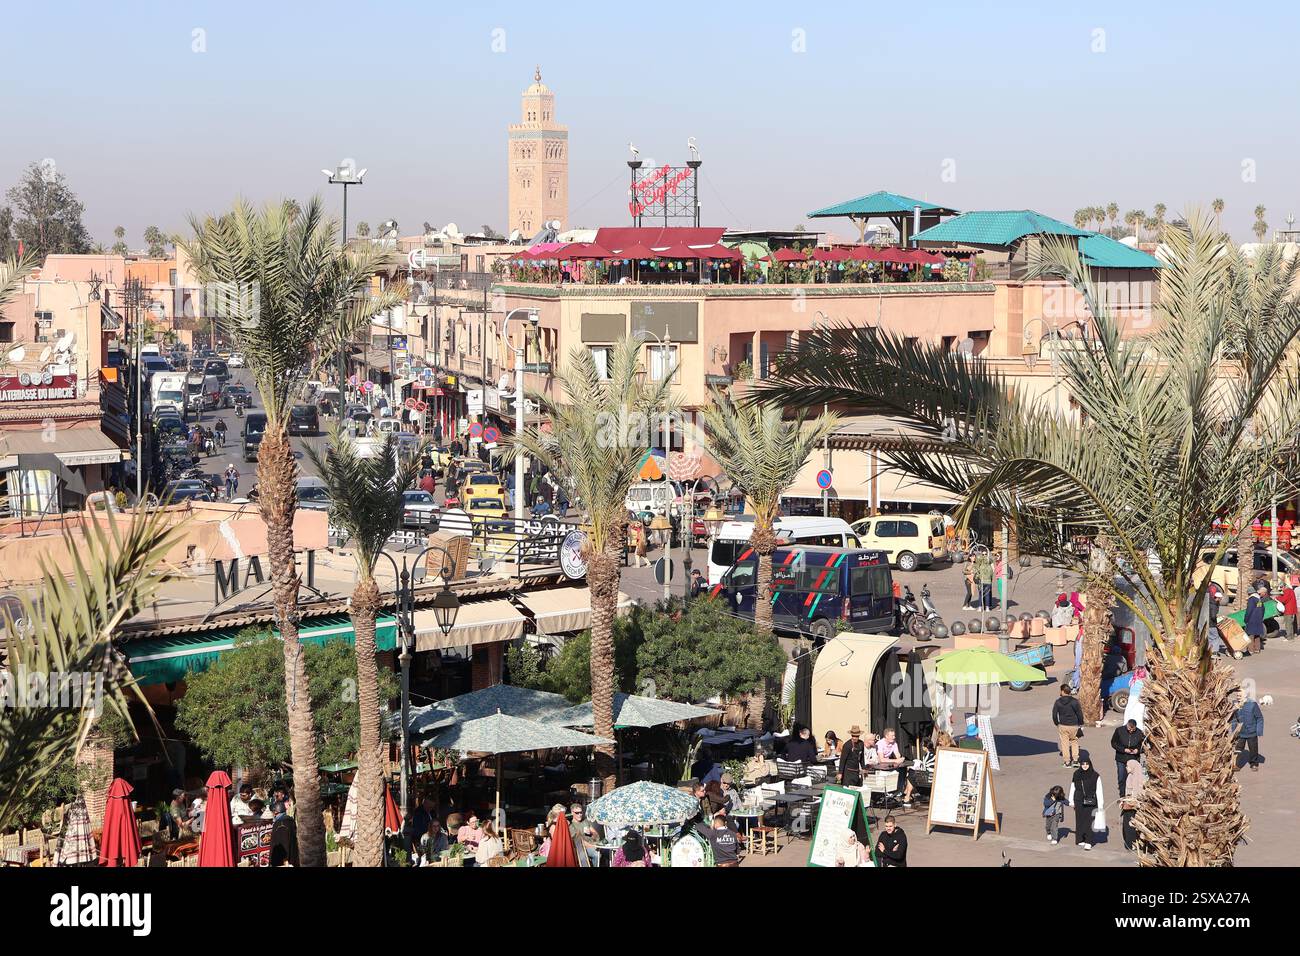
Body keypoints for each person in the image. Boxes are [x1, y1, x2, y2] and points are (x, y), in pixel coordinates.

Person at [1067, 754, 1104, 850]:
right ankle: (1080, 839)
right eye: (1083, 764)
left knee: (1089, 821)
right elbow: (1073, 787)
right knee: (1080, 820)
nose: (1085, 766)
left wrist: (1100, 805)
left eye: (1087, 764)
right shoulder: (1076, 774)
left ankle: (1089, 841)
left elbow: (1099, 791)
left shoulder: (1095, 775)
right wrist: (1071, 800)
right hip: (1078, 800)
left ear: (1090, 764)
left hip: (1091, 801)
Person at [1052, 685, 1085, 767]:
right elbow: (1079, 714)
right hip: (1074, 725)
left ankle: (1067, 762)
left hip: (1063, 725)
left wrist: (1057, 723)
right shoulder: (1075, 701)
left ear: (1063, 691)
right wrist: (1080, 723)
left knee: (1065, 743)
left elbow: (1054, 714)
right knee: (1074, 742)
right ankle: (1075, 760)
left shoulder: (1058, 702)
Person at [1110, 719, 1145, 797]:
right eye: (1129, 729)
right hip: (1121, 758)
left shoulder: (1139, 733)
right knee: (1122, 778)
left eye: (1133, 729)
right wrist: (1123, 749)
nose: (1131, 731)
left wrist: (1138, 750)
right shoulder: (1119, 730)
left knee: (1134, 778)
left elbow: (1144, 746)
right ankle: (1122, 796)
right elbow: (1113, 743)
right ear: (1127, 725)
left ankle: (1134, 796)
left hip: (1134, 758)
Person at [1234, 691, 1264, 772]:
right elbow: (1234, 719)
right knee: (1238, 749)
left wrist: (1259, 730)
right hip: (1240, 732)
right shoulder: (1235, 704)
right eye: (1237, 695)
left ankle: (1254, 764)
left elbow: (1259, 718)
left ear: (1245, 696)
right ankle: (1236, 764)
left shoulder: (1252, 704)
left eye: (1240, 695)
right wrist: (1234, 731)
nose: (1238, 697)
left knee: (1253, 749)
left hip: (1252, 732)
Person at [901, 741, 937, 808]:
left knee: (911, 773)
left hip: (928, 780)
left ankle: (907, 796)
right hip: (932, 778)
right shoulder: (935, 754)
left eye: (923, 746)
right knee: (912, 772)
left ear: (925, 747)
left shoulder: (927, 756)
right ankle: (907, 794)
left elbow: (924, 768)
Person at [1119, 760, 1143, 850]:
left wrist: (1133, 800)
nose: (1126, 768)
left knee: (1132, 825)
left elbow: (1138, 792)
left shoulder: (1139, 777)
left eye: (1128, 766)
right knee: (1126, 824)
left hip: (1135, 806)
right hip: (1128, 804)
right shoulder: (1129, 776)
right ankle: (1128, 843)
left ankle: (1133, 843)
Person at [270, 800, 299, 866]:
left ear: (275, 812)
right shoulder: (290, 820)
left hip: (284, 861)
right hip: (292, 857)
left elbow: (284, 843)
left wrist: (284, 861)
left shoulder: (280, 824)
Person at [1245, 582, 1268, 655]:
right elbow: (1263, 609)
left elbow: (1249, 610)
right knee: (1257, 635)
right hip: (1258, 619)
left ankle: (1250, 650)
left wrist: (1246, 619)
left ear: (1249, 593)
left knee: (1250, 635)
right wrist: (1261, 617)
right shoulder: (1259, 599)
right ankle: (1257, 649)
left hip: (1252, 619)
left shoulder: (1251, 599)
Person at [1280, 575, 1298, 642]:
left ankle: (1289, 637)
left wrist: (1277, 598)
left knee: (1288, 624)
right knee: (1290, 623)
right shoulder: (1291, 590)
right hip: (1292, 609)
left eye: (1281, 587)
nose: (1281, 589)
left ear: (1284, 586)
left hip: (1288, 610)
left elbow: (1284, 600)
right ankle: (1291, 636)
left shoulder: (1287, 591)